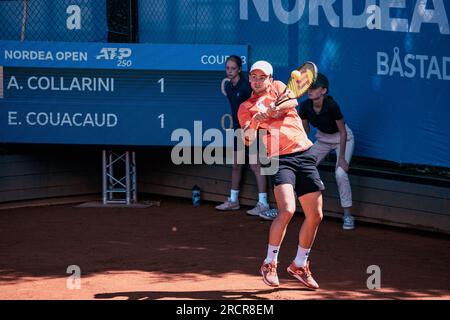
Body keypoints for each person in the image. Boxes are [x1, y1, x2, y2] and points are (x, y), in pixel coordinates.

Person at [238, 60, 325, 289]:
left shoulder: (278, 87)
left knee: (315, 215)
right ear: (250, 79)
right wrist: (255, 123)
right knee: (287, 209)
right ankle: (269, 263)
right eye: (254, 77)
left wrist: (273, 110)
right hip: (278, 159)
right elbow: (247, 139)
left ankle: (299, 264)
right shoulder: (246, 107)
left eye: (262, 77)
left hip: (303, 154)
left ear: (269, 78)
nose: (257, 81)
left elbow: (293, 100)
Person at [215, 55, 277, 218]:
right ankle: (233, 200)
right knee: (236, 165)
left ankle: (263, 204)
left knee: (256, 166)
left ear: (239, 70)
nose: (229, 71)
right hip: (238, 130)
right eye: (227, 68)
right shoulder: (228, 87)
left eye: (233, 68)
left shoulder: (247, 87)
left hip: (255, 130)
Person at [299, 73, 355, 230]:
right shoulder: (304, 106)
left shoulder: (332, 106)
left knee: (340, 174)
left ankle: (348, 215)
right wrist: (304, 149)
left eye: (314, 88)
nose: (310, 91)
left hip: (343, 138)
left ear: (323, 90)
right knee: (303, 167)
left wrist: (342, 158)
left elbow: (342, 132)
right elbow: (305, 129)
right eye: (308, 88)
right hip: (323, 139)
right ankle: (308, 208)